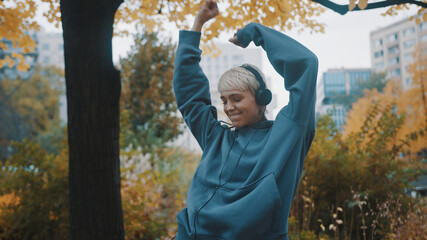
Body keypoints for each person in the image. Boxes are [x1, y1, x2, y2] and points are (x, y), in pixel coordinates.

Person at [172, 0, 318, 239]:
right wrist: (197, 24)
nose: (229, 108)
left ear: (261, 98)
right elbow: (189, 95)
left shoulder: (287, 134)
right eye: (224, 100)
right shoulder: (215, 137)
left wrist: (256, 32)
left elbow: (306, 65)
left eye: (237, 98)